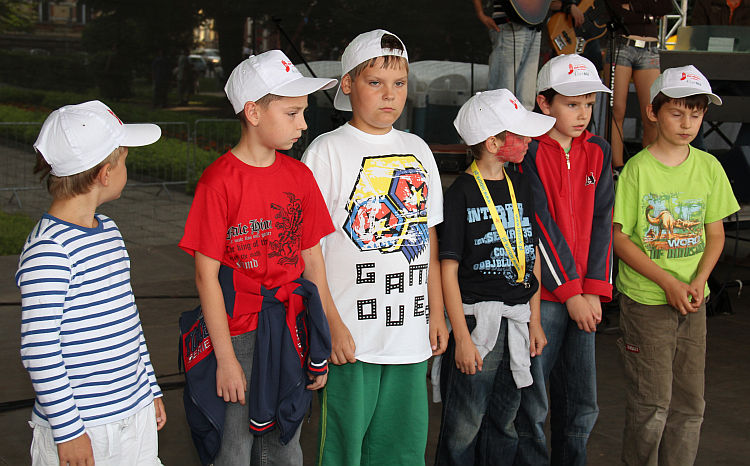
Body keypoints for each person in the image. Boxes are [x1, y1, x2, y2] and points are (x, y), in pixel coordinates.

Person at [178, 50, 338, 466]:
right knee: (234, 446)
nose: (303, 124)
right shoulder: (218, 182)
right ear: (253, 112)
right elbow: (206, 277)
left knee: (286, 441)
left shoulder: (299, 176)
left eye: (303, 113)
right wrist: (226, 359)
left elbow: (312, 261)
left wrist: (322, 335)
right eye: (292, 113)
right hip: (237, 333)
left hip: (289, 326)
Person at [302, 29, 449, 465]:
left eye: (399, 83)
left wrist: (436, 312)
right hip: (352, 338)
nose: (390, 95)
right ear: (348, 84)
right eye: (375, 82)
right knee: (343, 450)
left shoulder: (418, 149)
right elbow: (309, 249)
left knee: (401, 450)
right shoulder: (326, 151)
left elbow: (429, 236)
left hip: (410, 336)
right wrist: (330, 324)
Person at [16, 100, 166, 465]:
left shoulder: (109, 232)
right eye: (125, 160)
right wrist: (69, 431)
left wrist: (149, 387)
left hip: (134, 412)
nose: (127, 169)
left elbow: (128, 320)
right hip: (84, 427)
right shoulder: (49, 252)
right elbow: (40, 350)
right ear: (105, 174)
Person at [613, 65, 738, 466]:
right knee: (651, 404)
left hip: (693, 301)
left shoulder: (709, 167)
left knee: (689, 403)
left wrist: (700, 281)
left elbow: (715, 234)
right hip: (646, 302)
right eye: (677, 113)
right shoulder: (637, 170)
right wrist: (667, 282)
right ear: (653, 112)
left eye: (696, 115)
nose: (687, 124)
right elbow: (619, 238)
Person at [434, 88, 555, 465]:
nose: (529, 141)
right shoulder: (461, 193)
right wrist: (462, 338)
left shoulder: (521, 185)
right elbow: (448, 269)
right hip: (476, 324)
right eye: (520, 135)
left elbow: (530, 255)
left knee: (505, 422)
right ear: (493, 143)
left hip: (516, 321)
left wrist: (535, 321)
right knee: (463, 426)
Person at [514, 53, 615, 466]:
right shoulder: (528, 151)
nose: (583, 114)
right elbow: (537, 224)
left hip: (584, 297)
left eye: (589, 104)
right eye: (572, 104)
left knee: (581, 401)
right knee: (532, 401)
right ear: (544, 102)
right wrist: (571, 292)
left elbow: (604, 221)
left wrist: (593, 289)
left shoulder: (599, 150)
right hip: (545, 298)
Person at [606, 0, 674, 168]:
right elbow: (617, 11)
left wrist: (634, 7)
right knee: (616, 111)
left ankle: (649, 167)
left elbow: (666, 6)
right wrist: (648, 14)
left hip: (650, 48)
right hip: (622, 44)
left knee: (653, 112)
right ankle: (617, 168)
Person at [473, 0, 547, 110]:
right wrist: (480, 14)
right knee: (503, 91)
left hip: (534, 25)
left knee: (526, 94)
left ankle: (524, 119)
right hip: (509, 23)